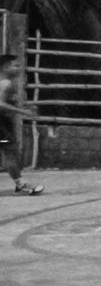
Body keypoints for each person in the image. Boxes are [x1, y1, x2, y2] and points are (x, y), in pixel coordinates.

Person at [0, 55, 43, 195]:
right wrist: (23, 111)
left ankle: (20, 184)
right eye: (15, 65)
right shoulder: (5, 83)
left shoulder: (9, 83)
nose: (19, 68)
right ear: (6, 67)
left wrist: (23, 106)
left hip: (4, 124)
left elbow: (8, 102)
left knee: (10, 152)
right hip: (1, 126)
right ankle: (21, 185)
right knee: (10, 153)